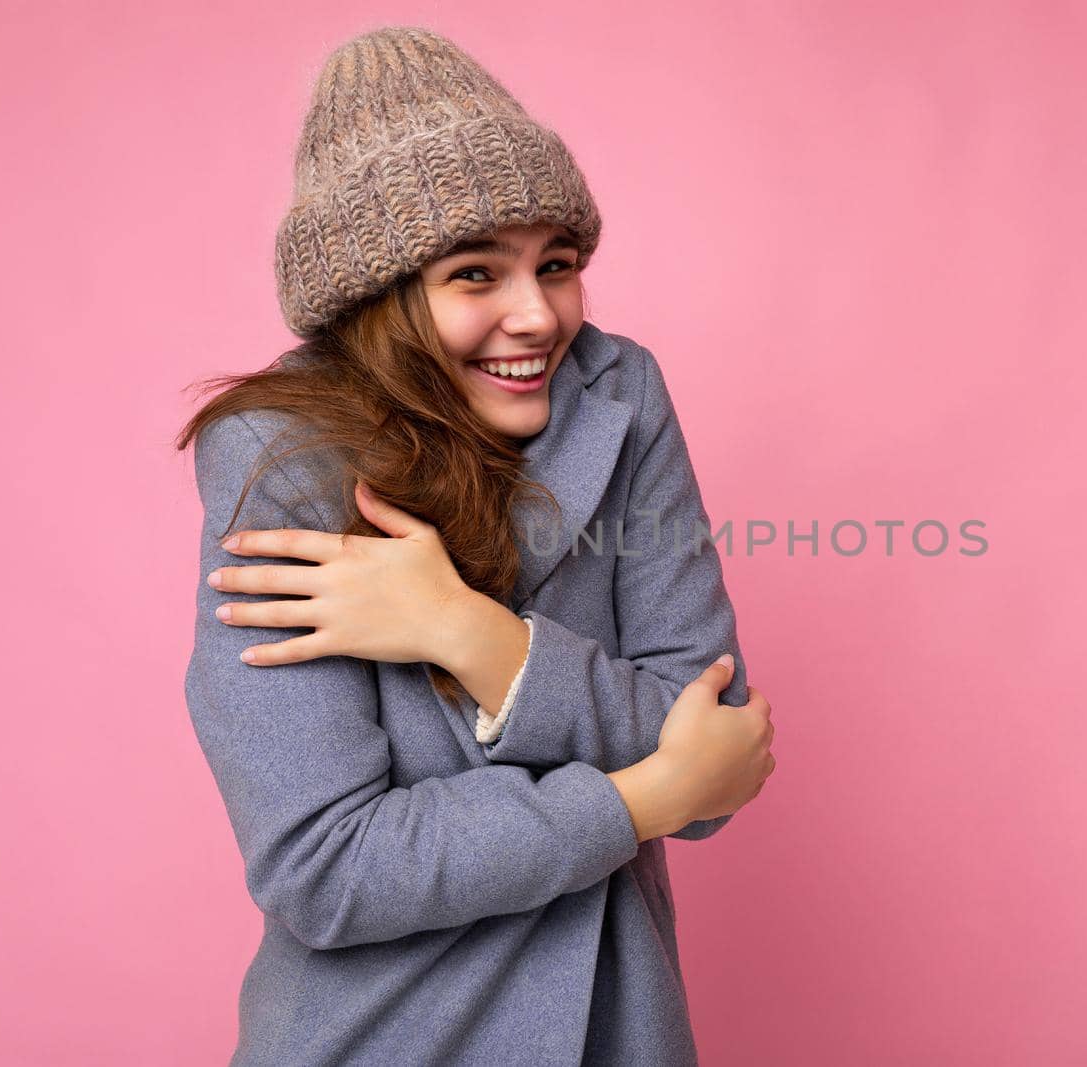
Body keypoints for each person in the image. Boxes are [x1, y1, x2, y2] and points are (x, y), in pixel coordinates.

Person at [175, 25, 775, 1066]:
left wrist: (470, 633)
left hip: (616, 1026)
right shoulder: (280, 455)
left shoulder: (616, 395)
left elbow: (717, 745)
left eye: (558, 263)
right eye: (474, 273)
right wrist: (643, 795)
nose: (535, 313)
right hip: (390, 1035)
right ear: (381, 293)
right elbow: (328, 866)